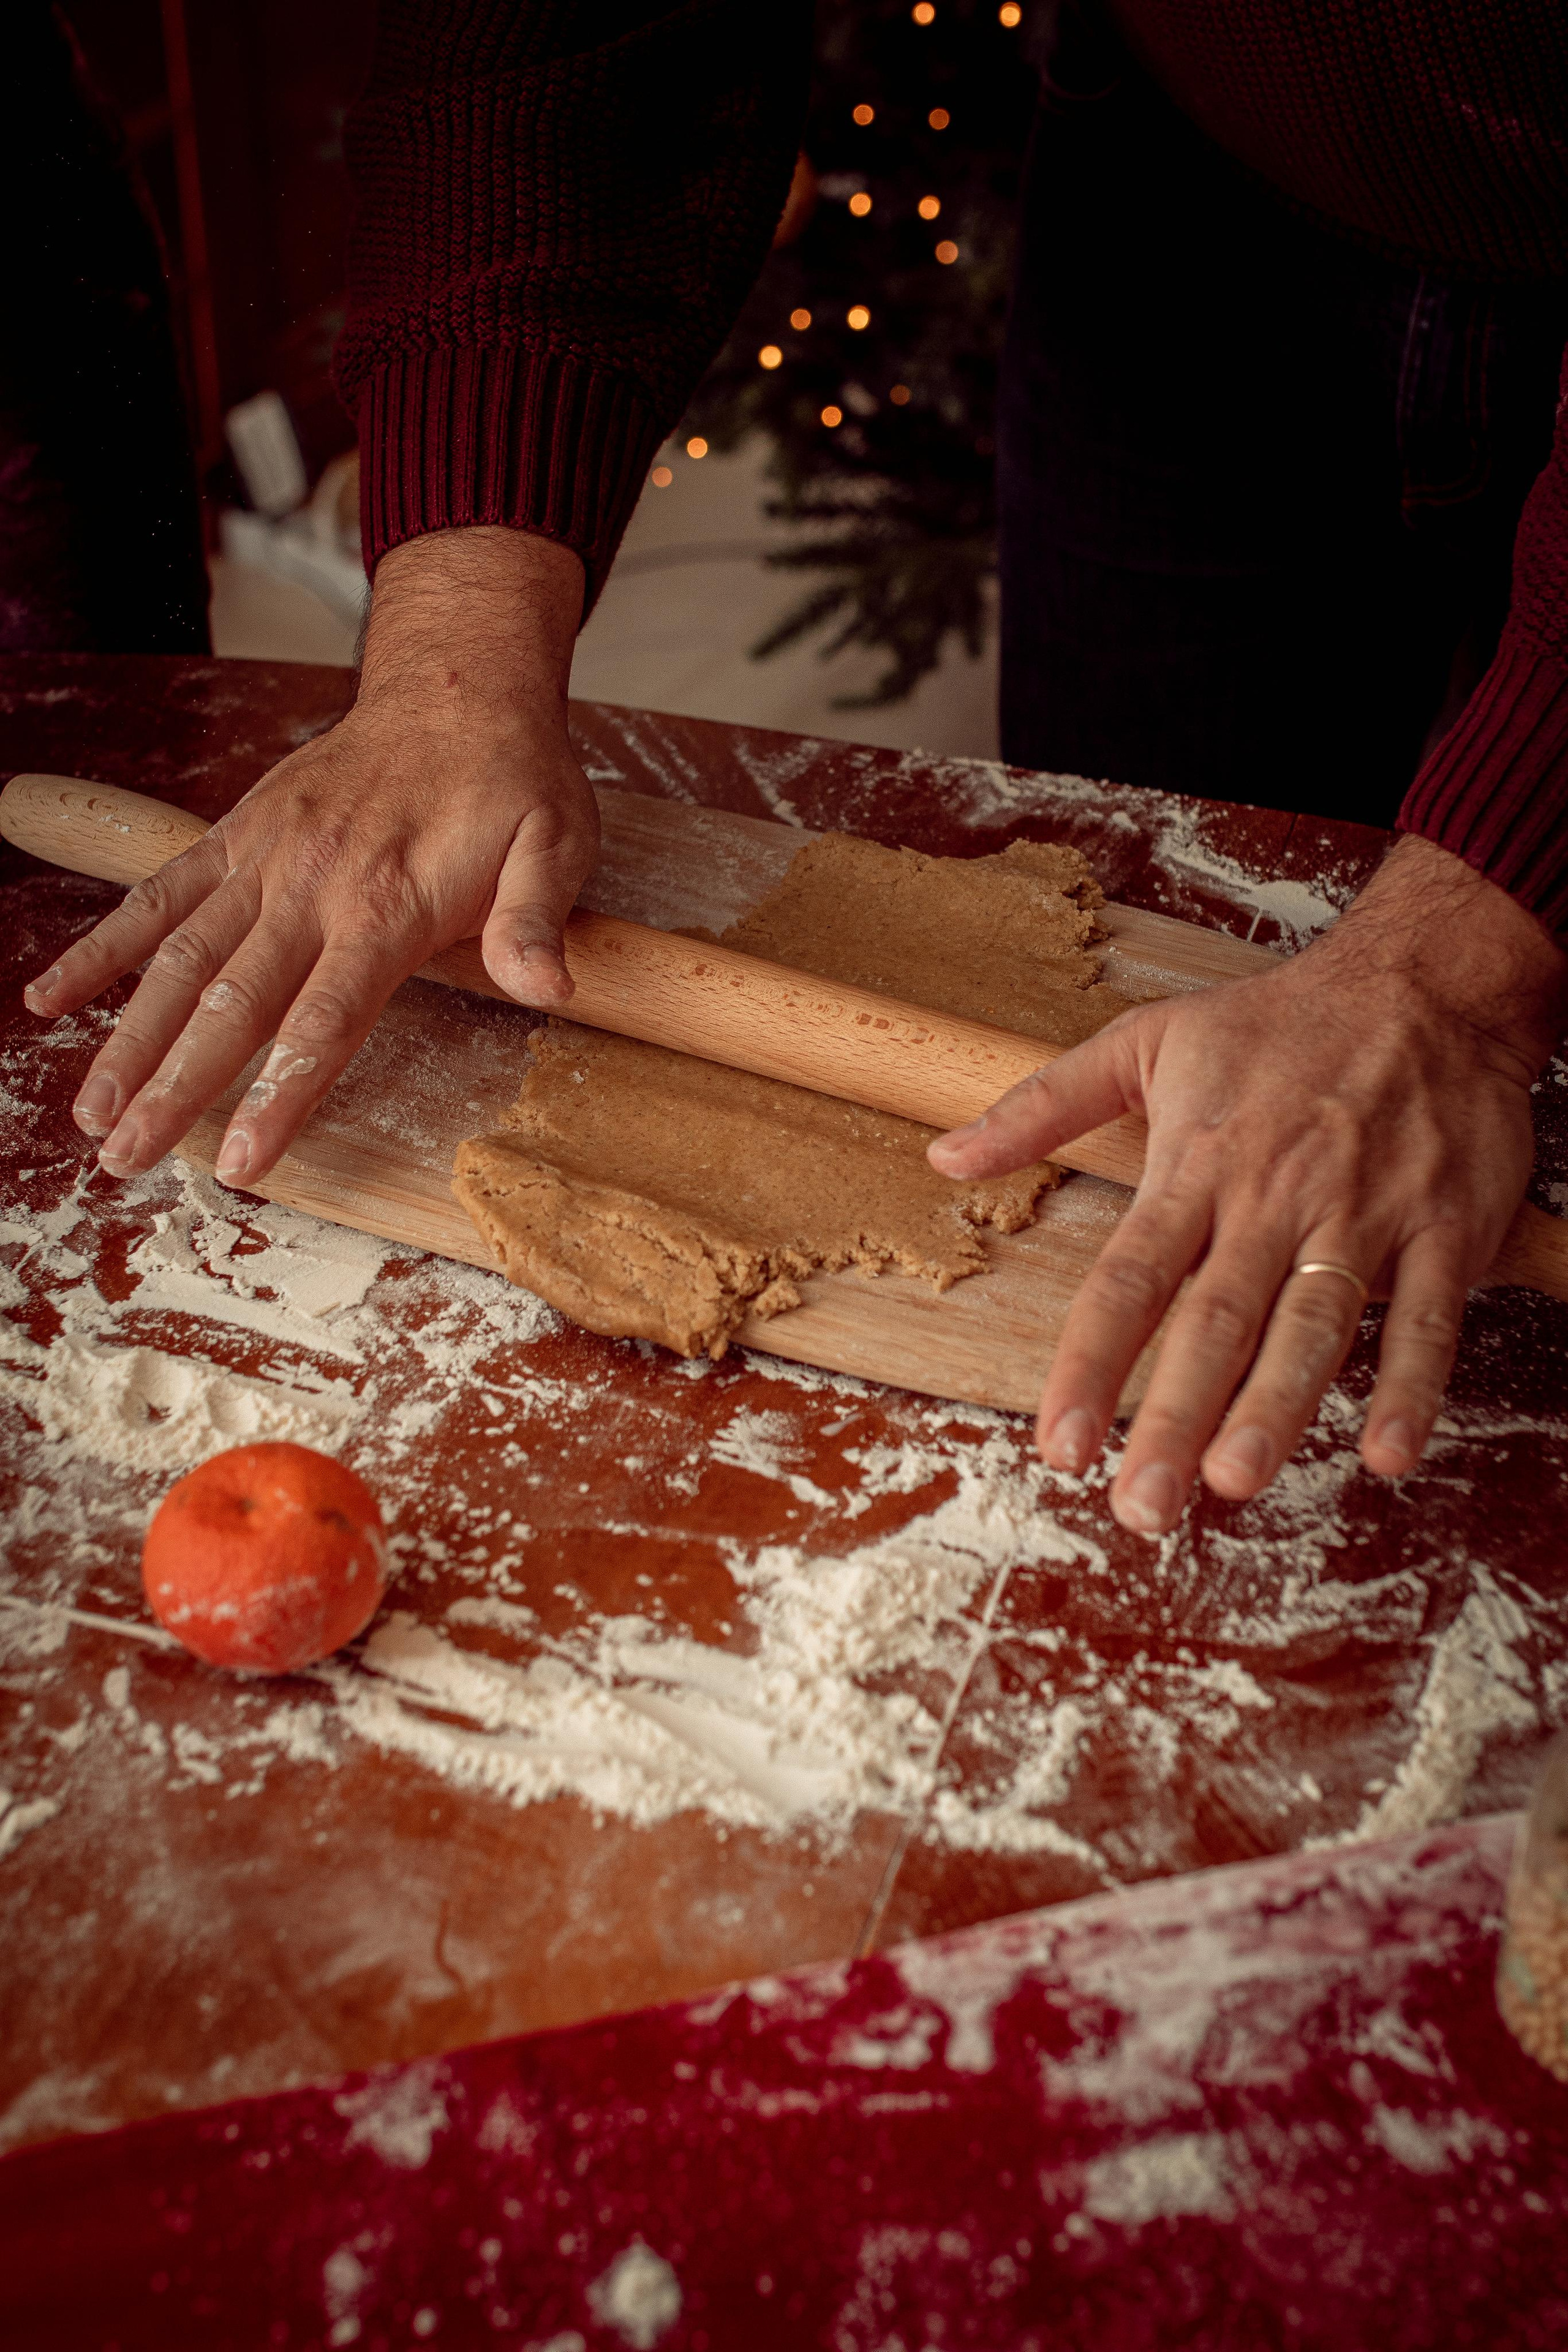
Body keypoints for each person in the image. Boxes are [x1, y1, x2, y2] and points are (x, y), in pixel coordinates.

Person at [26, 0, 1568, 1538]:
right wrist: (456, 651)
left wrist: (1446, 975)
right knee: (1156, 889)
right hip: (1194, 191)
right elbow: (564, 38)